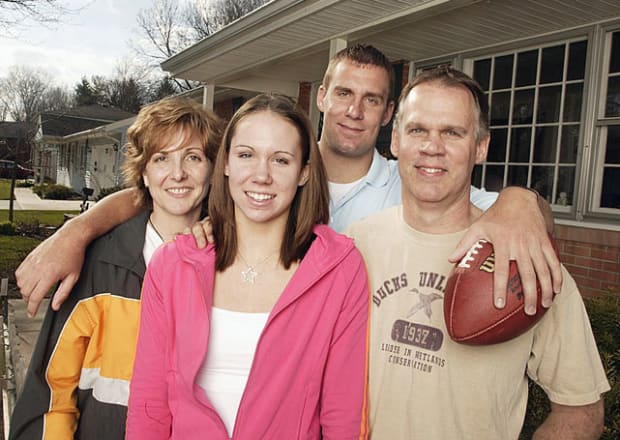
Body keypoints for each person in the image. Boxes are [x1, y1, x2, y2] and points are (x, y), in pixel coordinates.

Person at [16, 45, 560, 320]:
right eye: (343, 94)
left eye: (372, 100)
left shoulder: (414, 182)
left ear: (389, 115)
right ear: (321, 97)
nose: (354, 111)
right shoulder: (263, 178)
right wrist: (77, 230)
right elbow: (160, 189)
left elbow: (499, 207)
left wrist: (519, 202)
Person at [345, 66, 609, 439]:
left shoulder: (528, 258)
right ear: (396, 141)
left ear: (480, 147)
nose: (432, 147)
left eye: (452, 132)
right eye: (418, 129)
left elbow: (581, 412)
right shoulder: (354, 244)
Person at [125, 94, 370, 439]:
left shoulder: (339, 269)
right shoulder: (172, 266)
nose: (261, 175)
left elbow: (342, 414)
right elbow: (149, 404)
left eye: (281, 161)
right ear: (225, 163)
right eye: (246, 155)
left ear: (304, 173)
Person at [9, 97, 223, 440]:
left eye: (193, 157)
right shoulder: (100, 263)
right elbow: (53, 390)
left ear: (213, 168)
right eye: (161, 158)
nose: (178, 173)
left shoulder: (231, 265)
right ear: (144, 171)